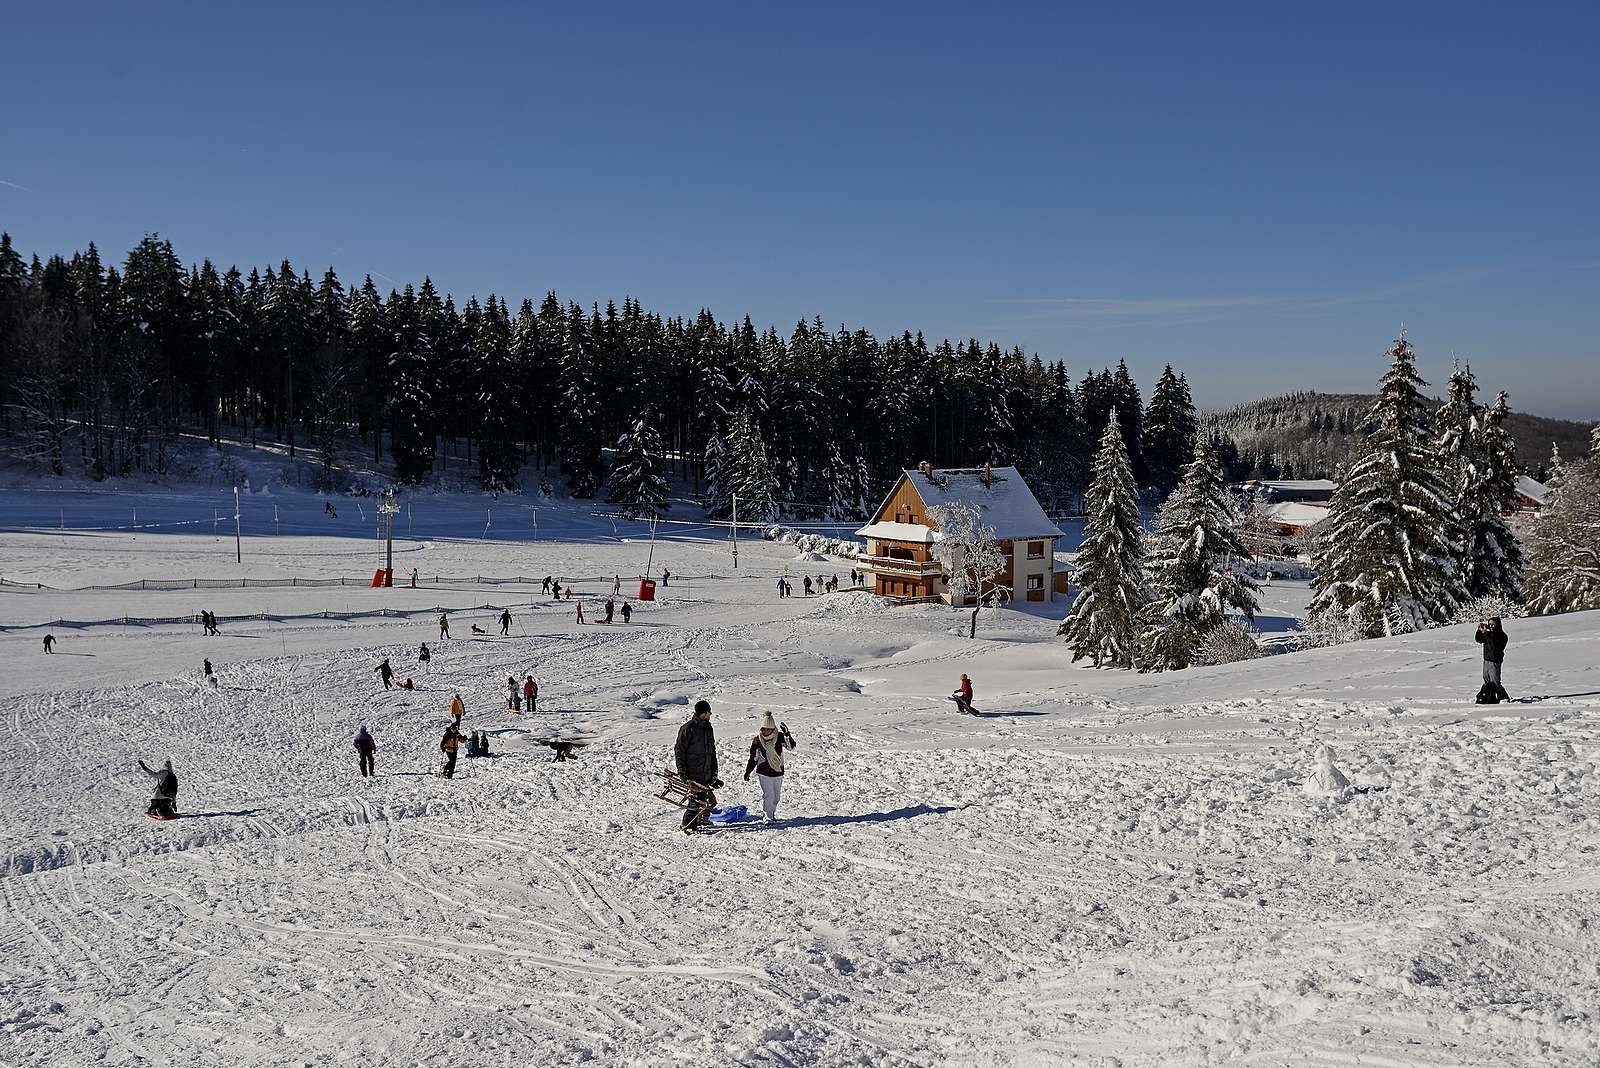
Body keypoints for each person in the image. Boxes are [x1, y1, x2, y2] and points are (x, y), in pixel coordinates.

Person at [674, 700, 721, 833]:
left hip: (705, 772)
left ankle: (699, 821)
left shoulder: (708, 728)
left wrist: (713, 774)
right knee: (696, 801)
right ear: (703, 713)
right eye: (708, 712)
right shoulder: (688, 729)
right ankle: (688, 826)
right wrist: (682, 772)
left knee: (708, 801)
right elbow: (679, 751)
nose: (710, 714)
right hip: (693, 773)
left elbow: (711, 751)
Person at [743, 711, 797, 823]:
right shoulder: (757, 740)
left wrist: (787, 734)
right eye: (763, 729)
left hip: (778, 771)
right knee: (769, 795)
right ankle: (767, 817)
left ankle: (771, 815)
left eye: (768, 729)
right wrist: (748, 772)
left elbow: (791, 747)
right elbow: (753, 758)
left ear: (773, 729)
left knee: (776, 797)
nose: (765, 732)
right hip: (764, 772)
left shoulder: (780, 737)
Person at [1475, 618, 1510, 702]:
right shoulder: (1489, 634)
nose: (1491, 626)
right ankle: (1490, 697)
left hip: (1495, 661)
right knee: (1486, 680)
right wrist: (1479, 631)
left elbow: (1493, 644)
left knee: (1495, 682)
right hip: (1486, 659)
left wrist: (1486, 633)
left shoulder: (1501, 635)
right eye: (1490, 624)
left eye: (1493, 624)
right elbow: (1479, 639)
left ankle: (1504, 698)